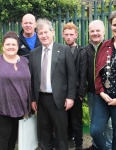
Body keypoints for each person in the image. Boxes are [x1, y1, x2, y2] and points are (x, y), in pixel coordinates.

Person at [29, 18, 76, 150]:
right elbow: (32, 78)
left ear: (52, 32)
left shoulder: (64, 49)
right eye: (40, 33)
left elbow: (71, 76)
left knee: (61, 131)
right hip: (41, 99)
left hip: (59, 99)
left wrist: (70, 97)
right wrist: (33, 98)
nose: (43, 36)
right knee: (44, 131)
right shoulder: (34, 53)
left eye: (45, 32)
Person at [0, 31, 31, 150]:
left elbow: (29, 83)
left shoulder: (25, 61)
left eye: (14, 44)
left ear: (18, 46)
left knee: (13, 135)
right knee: (4, 134)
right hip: (1, 106)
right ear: (3, 46)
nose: (11, 47)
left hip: (19, 107)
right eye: (8, 44)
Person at [83, 20, 112, 150]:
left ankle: (109, 145)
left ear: (104, 31)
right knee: (95, 123)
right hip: (92, 92)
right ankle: (96, 145)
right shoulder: (85, 50)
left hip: (110, 93)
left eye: (98, 30)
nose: (95, 33)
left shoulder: (109, 47)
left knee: (110, 124)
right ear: (88, 33)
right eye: (92, 31)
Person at [90, 11, 116, 150]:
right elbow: (97, 72)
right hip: (103, 96)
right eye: (115, 24)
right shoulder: (104, 45)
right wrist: (100, 91)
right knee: (95, 131)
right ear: (111, 26)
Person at [62, 22, 87, 150]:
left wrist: (81, 94)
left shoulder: (82, 52)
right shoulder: (60, 50)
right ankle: (67, 141)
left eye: (71, 34)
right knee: (65, 120)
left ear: (76, 35)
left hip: (77, 92)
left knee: (76, 120)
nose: (69, 37)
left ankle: (78, 144)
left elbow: (83, 74)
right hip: (63, 92)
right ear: (62, 35)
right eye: (66, 34)